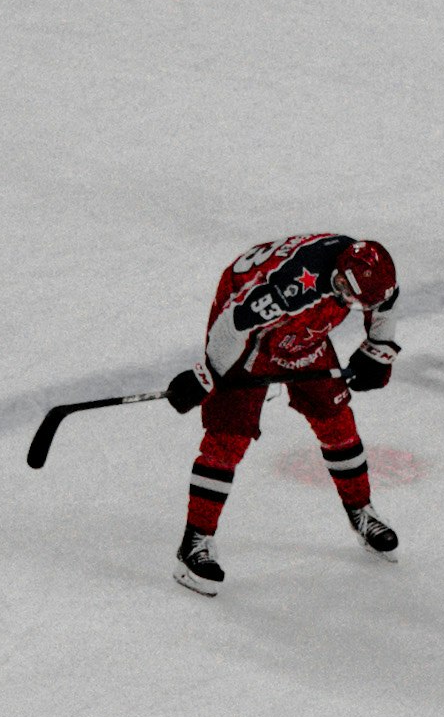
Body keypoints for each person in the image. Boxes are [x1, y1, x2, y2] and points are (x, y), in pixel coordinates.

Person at [165, 232, 401, 595]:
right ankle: (193, 543)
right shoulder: (289, 286)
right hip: (247, 329)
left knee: (336, 422)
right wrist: (208, 374)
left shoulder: (368, 276)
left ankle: (362, 511)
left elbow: (384, 303)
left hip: (305, 329)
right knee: (228, 437)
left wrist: (379, 348)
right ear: (338, 274)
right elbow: (234, 324)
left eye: (356, 300)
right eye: (346, 292)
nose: (350, 301)